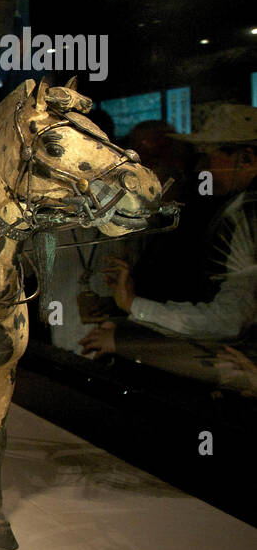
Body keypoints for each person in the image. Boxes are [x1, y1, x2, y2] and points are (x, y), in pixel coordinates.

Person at [80, 104, 257, 362]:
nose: (200, 169)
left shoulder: (230, 212)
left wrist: (132, 316)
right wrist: (123, 313)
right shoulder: (224, 207)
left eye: (207, 157)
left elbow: (231, 320)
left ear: (247, 158)